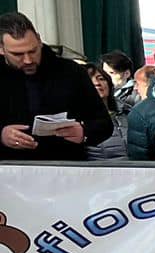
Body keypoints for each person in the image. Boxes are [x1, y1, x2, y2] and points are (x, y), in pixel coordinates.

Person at [0, 12, 113, 160]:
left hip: (65, 168)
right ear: (2, 49)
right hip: (9, 172)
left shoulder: (72, 72)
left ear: (39, 40)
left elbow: (104, 124)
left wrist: (83, 132)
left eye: (33, 51)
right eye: (18, 54)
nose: (28, 60)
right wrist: (1, 136)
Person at [86, 64, 129, 162]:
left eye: (101, 79)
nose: (97, 83)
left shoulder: (127, 112)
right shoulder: (78, 119)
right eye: (89, 80)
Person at [99, 50, 140, 114]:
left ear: (127, 73)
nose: (106, 76)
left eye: (111, 73)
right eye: (104, 73)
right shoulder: (102, 92)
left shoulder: (137, 93)